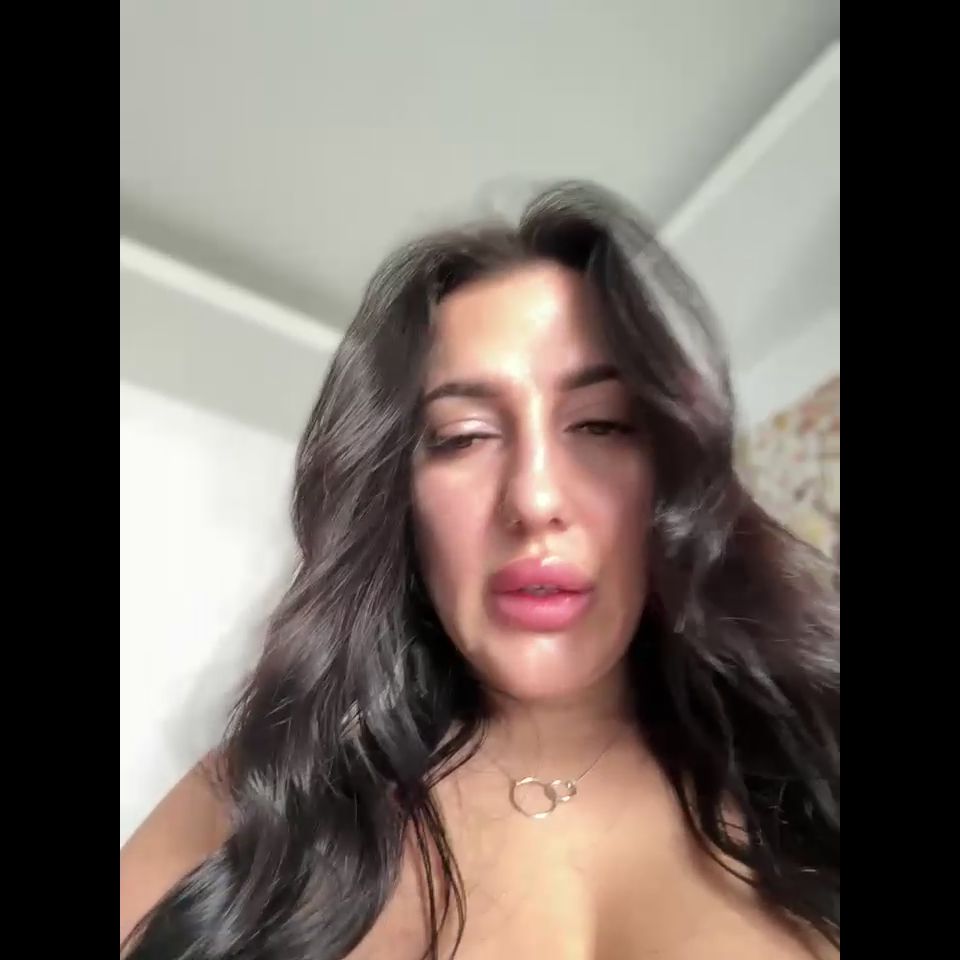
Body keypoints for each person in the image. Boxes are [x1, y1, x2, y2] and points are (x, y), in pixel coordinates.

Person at [120, 181, 840, 959]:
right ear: (396, 495)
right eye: (463, 436)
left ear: (672, 469)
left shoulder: (814, 768)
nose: (534, 499)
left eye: (601, 424)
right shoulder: (264, 802)